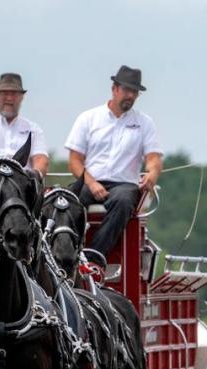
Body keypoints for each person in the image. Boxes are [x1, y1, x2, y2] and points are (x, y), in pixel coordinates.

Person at [64, 65, 163, 265]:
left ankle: (93, 258)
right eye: (127, 90)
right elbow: (75, 161)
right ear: (114, 89)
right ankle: (62, 253)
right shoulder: (88, 118)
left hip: (123, 184)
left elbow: (153, 158)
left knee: (125, 201)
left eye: (134, 92)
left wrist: (152, 174)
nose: (130, 96)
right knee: (66, 203)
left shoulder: (144, 123)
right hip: (90, 181)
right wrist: (91, 184)